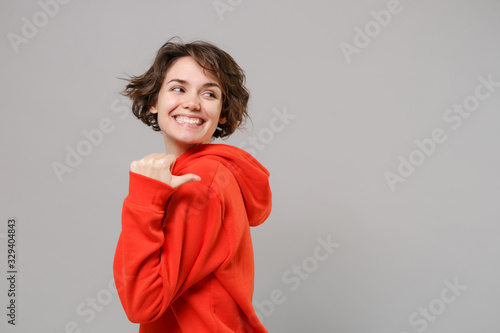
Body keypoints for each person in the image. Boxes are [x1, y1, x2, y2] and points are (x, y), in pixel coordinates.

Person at [113, 38, 272, 332]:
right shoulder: (204, 173)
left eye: (209, 93)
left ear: (222, 112)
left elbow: (142, 303)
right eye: (178, 88)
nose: (192, 103)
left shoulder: (201, 180)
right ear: (153, 101)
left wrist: (143, 198)